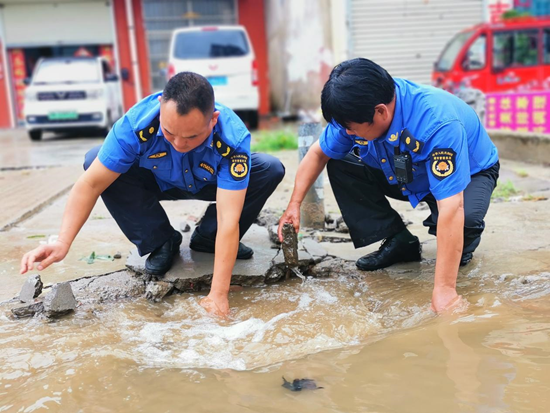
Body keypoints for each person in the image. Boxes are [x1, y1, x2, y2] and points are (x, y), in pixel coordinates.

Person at [20, 72, 285, 316]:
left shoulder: (231, 138)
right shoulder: (135, 125)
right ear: (160, 107)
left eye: (192, 137)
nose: (179, 145)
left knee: (269, 169)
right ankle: (160, 240)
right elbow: (89, 185)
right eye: (169, 132)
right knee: (95, 162)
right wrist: (63, 242)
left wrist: (218, 295)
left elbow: (230, 220)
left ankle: (208, 237)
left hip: (210, 183)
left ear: (212, 120)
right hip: (155, 182)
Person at [278, 58, 499, 313]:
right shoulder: (356, 112)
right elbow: (317, 154)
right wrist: (293, 205)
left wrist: (445, 289)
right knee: (340, 162)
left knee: (463, 224)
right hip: (404, 173)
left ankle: (462, 249)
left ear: (381, 111)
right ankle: (398, 240)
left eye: (352, 129)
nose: (347, 133)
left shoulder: (438, 122)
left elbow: (452, 206)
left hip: (470, 174)